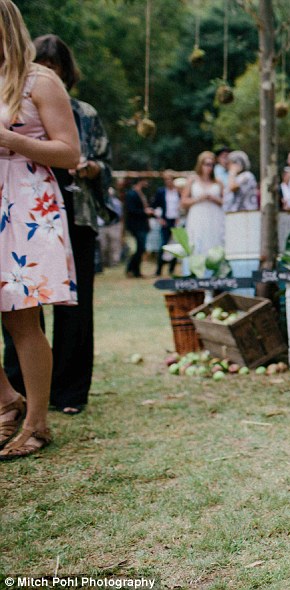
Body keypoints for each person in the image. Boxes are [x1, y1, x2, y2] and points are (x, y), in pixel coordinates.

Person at [2, 34, 113, 416]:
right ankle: (19, 388)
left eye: (56, 65)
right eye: (43, 62)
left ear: (66, 69)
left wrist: (93, 168)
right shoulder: (13, 90)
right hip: (18, 202)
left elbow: (97, 160)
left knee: (72, 310)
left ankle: (69, 393)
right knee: (19, 303)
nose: (49, 71)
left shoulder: (84, 111)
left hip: (69, 205)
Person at [0, 0, 80, 459]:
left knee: (21, 317)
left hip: (26, 199)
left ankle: (37, 423)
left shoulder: (39, 81)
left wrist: (11, 140)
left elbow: (69, 152)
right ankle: (8, 400)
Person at [180, 151, 225, 260]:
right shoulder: (192, 180)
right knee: (197, 241)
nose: (209, 168)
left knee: (215, 240)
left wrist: (214, 199)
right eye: (207, 164)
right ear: (201, 164)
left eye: (212, 165)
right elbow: (183, 202)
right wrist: (199, 199)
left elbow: (226, 202)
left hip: (214, 216)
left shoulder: (218, 182)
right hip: (198, 215)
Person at [153, 170, 181, 276]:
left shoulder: (178, 192)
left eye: (170, 179)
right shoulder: (161, 192)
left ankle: (171, 269)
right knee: (163, 244)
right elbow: (155, 206)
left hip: (176, 221)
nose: (168, 181)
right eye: (166, 179)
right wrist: (159, 218)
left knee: (175, 245)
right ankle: (159, 269)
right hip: (165, 221)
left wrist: (179, 217)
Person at [124, 177, 153, 278]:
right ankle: (131, 268)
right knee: (140, 248)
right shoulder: (131, 194)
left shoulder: (141, 193)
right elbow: (131, 210)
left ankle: (135, 270)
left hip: (142, 225)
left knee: (141, 248)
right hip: (136, 225)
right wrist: (144, 212)